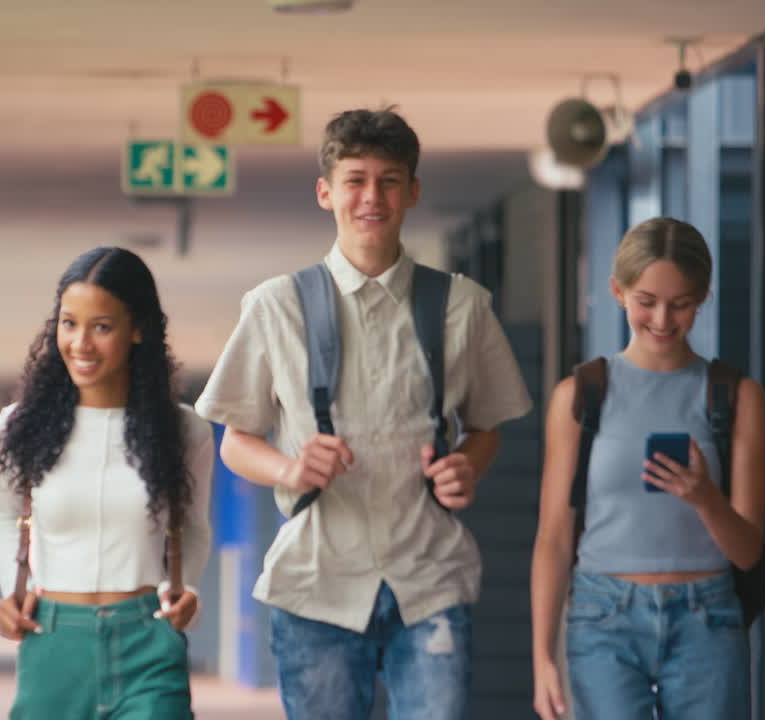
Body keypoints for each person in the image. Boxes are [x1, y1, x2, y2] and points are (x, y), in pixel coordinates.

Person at [194, 106, 532, 720]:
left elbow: (487, 428)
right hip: (315, 582)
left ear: (413, 191)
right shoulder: (275, 306)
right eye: (355, 180)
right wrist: (291, 469)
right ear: (326, 192)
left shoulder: (463, 306)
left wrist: (467, 466)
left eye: (389, 180)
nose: (372, 196)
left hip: (429, 576)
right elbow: (235, 441)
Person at [529, 216, 765, 720]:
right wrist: (542, 658)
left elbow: (748, 551)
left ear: (702, 298)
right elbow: (554, 537)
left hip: (708, 616)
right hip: (602, 615)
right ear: (617, 291)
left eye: (680, 304)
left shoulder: (736, 397)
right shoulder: (580, 395)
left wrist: (706, 498)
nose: (662, 319)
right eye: (647, 301)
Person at [0, 246, 213, 720]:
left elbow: (192, 525)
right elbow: (3, 516)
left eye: (102, 327)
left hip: (148, 640)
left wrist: (187, 585)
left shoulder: (183, 430)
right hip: (52, 642)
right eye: (69, 324)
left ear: (138, 329)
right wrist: (15, 587)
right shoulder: (19, 426)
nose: (80, 343)